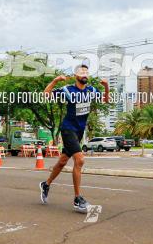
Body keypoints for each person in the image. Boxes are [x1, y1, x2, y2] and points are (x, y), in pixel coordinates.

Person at [39, 65, 109, 213]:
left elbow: (105, 100)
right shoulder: (68, 90)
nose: (85, 74)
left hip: (79, 132)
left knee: (63, 161)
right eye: (81, 72)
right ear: (75, 75)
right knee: (80, 160)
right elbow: (45, 94)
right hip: (68, 129)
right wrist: (55, 80)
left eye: (86, 72)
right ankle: (77, 199)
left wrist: (106, 86)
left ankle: (46, 184)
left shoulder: (91, 91)